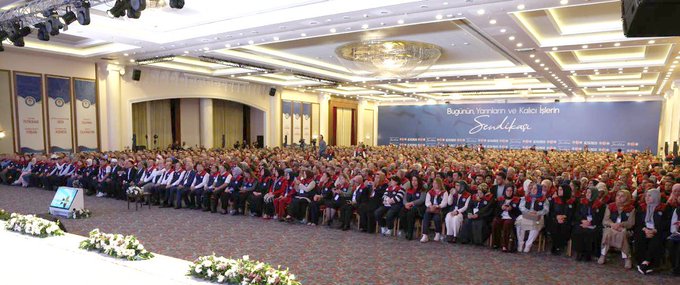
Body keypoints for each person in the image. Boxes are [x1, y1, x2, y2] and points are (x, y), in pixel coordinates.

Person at [634, 188, 670, 275]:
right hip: (644, 229)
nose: (647, 197)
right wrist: (645, 230)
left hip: (658, 230)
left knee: (656, 239)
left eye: (650, 196)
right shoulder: (642, 207)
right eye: (646, 196)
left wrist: (654, 230)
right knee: (639, 235)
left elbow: (666, 223)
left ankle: (648, 261)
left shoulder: (664, 208)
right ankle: (642, 261)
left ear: (656, 197)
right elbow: (638, 222)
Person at [598, 190, 636, 269]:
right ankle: (603, 255)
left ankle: (627, 258)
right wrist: (613, 224)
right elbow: (605, 220)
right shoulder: (610, 206)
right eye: (618, 195)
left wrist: (621, 225)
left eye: (622, 196)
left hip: (624, 229)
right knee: (607, 232)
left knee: (623, 233)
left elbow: (631, 223)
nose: (619, 197)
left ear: (627, 198)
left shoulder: (631, 208)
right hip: (611, 227)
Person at [571, 187, 605, 262]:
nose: (588, 194)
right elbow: (577, 213)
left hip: (594, 223)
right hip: (582, 222)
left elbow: (600, 217)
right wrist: (582, 221)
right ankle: (579, 252)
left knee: (591, 232)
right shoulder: (581, 202)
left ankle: (588, 254)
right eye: (587, 192)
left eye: (590, 193)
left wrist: (591, 223)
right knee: (578, 230)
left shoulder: (600, 205)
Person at [516, 181, 550, 253]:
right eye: (532, 188)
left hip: (537, 216)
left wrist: (537, 212)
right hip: (527, 215)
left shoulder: (544, 199)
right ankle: (520, 243)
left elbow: (546, 210)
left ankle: (528, 244)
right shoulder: (526, 197)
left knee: (536, 225)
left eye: (535, 189)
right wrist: (528, 212)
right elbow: (521, 206)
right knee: (519, 223)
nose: (533, 190)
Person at [491, 184, 520, 252]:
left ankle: (505, 245)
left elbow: (519, 211)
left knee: (507, 224)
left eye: (511, 191)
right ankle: (496, 243)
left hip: (510, 217)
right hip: (501, 216)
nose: (509, 192)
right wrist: (501, 208)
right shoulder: (500, 199)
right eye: (507, 190)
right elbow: (495, 210)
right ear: (505, 191)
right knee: (495, 222)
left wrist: (511, 209)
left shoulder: (517, 199)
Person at [549, 184, 576, 256]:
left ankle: (560, 245)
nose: (559, 191)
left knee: (564, 226)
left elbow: (573, 214)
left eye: (561, 190)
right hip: (555, 219)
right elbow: (551, 211)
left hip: (567, 221)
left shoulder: (572, 202)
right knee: (555, 225)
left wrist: (564, 217)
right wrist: (556, 216)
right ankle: (555, 245)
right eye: (558, 190)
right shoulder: (554, 200)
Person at [420, 178, 448, 242]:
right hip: (431, 208)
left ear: (439, 184)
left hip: (439, 209)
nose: (434, 184)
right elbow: (427, 202)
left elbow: (444, 203)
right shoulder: (430, 192)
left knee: (437, 218)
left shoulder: (444, 192)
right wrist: (430, 206)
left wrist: (437, 206)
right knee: (426, 216)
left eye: (436, 183)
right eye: (433, 183)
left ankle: (437, 233)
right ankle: (425, 235)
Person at [399, 175, 425, 240]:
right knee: (402, 212)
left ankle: (410, 233)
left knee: (410, 214)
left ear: (418, 181)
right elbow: (404, 199)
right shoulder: (409, 190)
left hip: (418, 208)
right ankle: (406, 230)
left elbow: (421, 200)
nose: (413, 182)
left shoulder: (422, 190)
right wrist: (406, 204)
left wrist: (411, 203)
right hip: (408, 206)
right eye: (412, 180)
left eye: (415, 180)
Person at [668, 187, 680, 275]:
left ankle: (677, 268)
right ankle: (674, 266)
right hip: (678, 233)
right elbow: (674, 224)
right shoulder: (678, 210)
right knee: (671, 243)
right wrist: (675, 232)